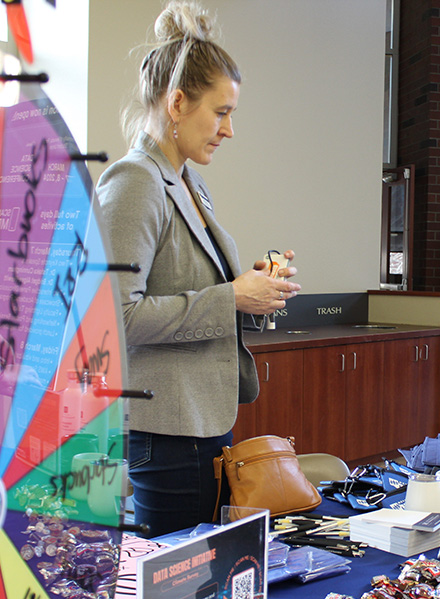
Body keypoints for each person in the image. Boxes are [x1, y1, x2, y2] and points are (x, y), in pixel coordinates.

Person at [96, 0, 299, 537]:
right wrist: (232, 296)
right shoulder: (135, 181)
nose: (229, 129)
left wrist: (258, 290)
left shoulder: (187, 181)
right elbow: (114, 318)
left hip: (201, 423)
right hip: (163, 434)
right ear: (178, 102)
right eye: (222, 111)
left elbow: (200, 287)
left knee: (201, 592)